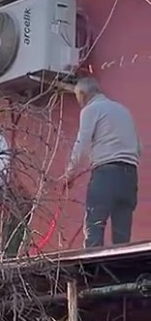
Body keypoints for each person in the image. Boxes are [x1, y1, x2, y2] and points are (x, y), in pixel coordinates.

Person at [63, 76, 140, 248]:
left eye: (77, 97)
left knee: (94, 229)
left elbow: (81, 143)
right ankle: (120, 272)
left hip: (106, 174)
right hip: (130, 177)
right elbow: (138, 148)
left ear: (83, 94)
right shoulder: (123, 111)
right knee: (122, 238)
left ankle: (92, 274)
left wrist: (70, 173)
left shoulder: (91, 110)